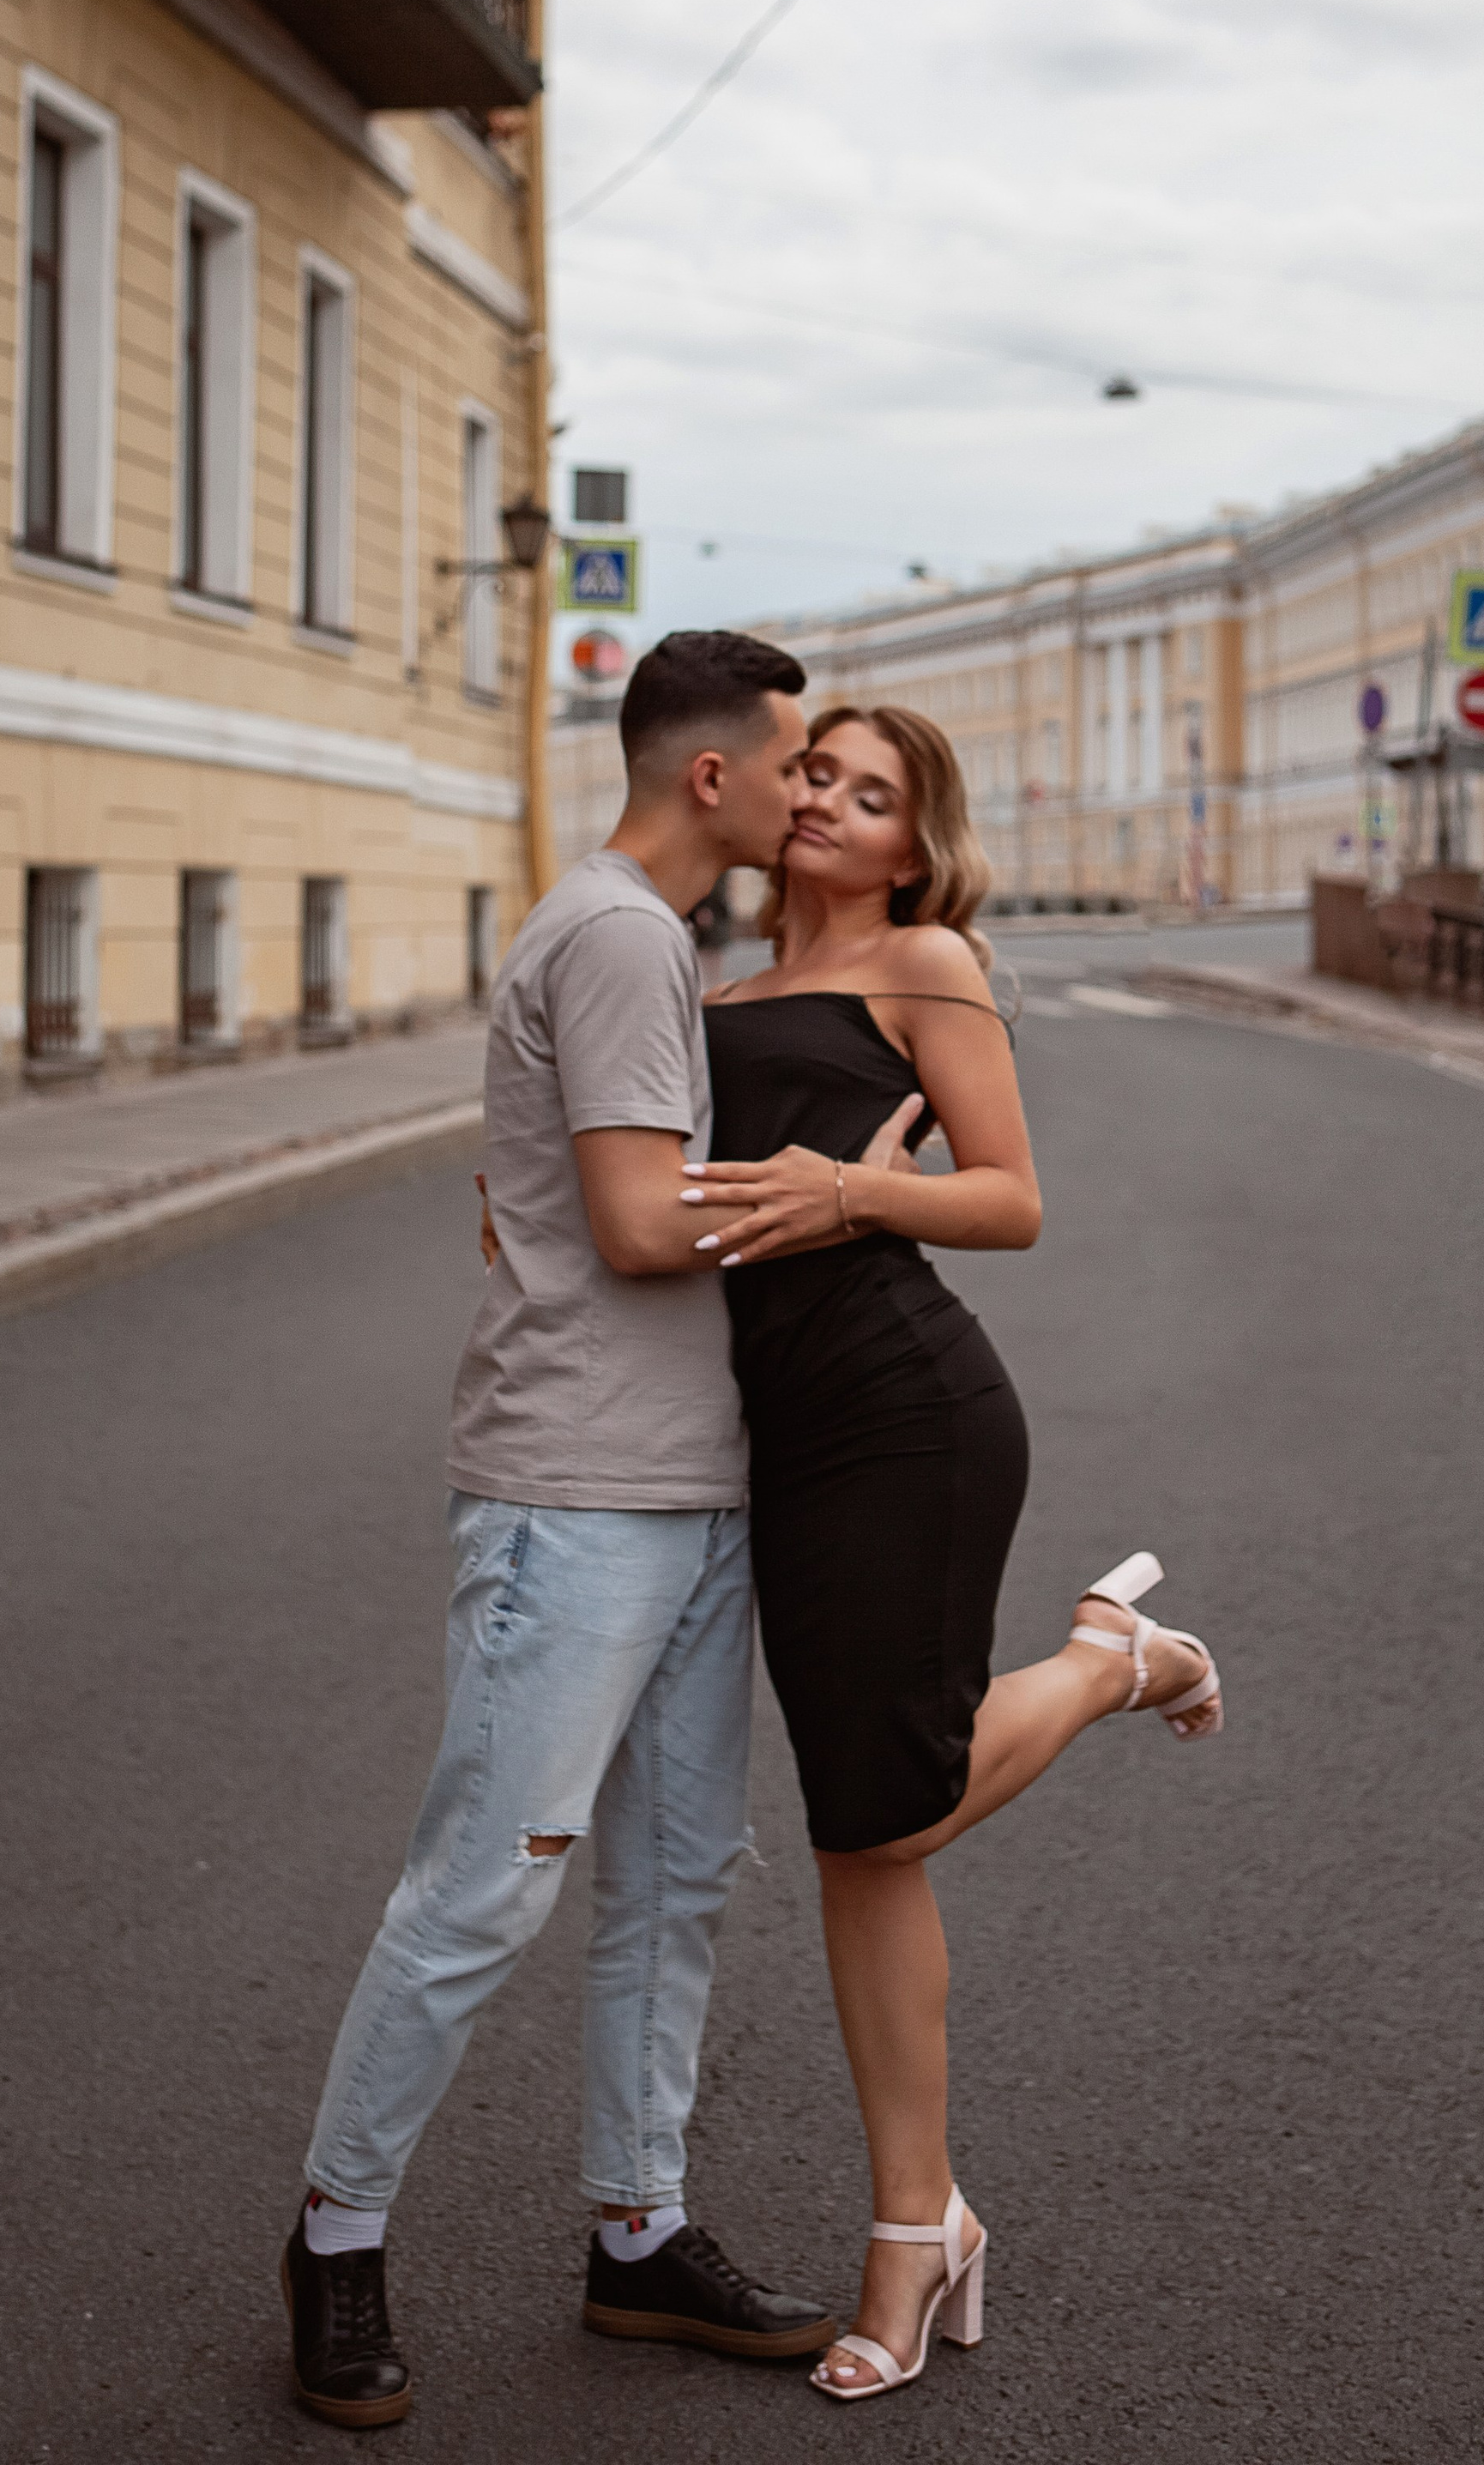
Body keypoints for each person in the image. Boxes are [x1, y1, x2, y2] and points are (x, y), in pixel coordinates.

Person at [284, 631, 916, 2429]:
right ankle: (335, 2239)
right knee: (486, 1888)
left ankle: (637, 2233)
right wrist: (840, 1194)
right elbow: (640, 1224)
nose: (810, 791)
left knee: (673, 1887)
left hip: (688, 1479)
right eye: (794, 763)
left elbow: (581, 1200)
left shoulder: (646, 934)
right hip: (574, 1492)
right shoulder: (624, 933)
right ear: (707, 777)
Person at [692, 704, 1223, 2403]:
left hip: (906, 1411)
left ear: (914, 845)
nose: (829, 808)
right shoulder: (709, 994)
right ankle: (917, 2232)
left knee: (891, 1800)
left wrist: (853, 1197)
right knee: (863, 1843)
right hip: (777, 1430)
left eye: (871, 794)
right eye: (817, 778)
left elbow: (1008, 1196)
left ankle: (1107, 1659)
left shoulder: (923, 961)